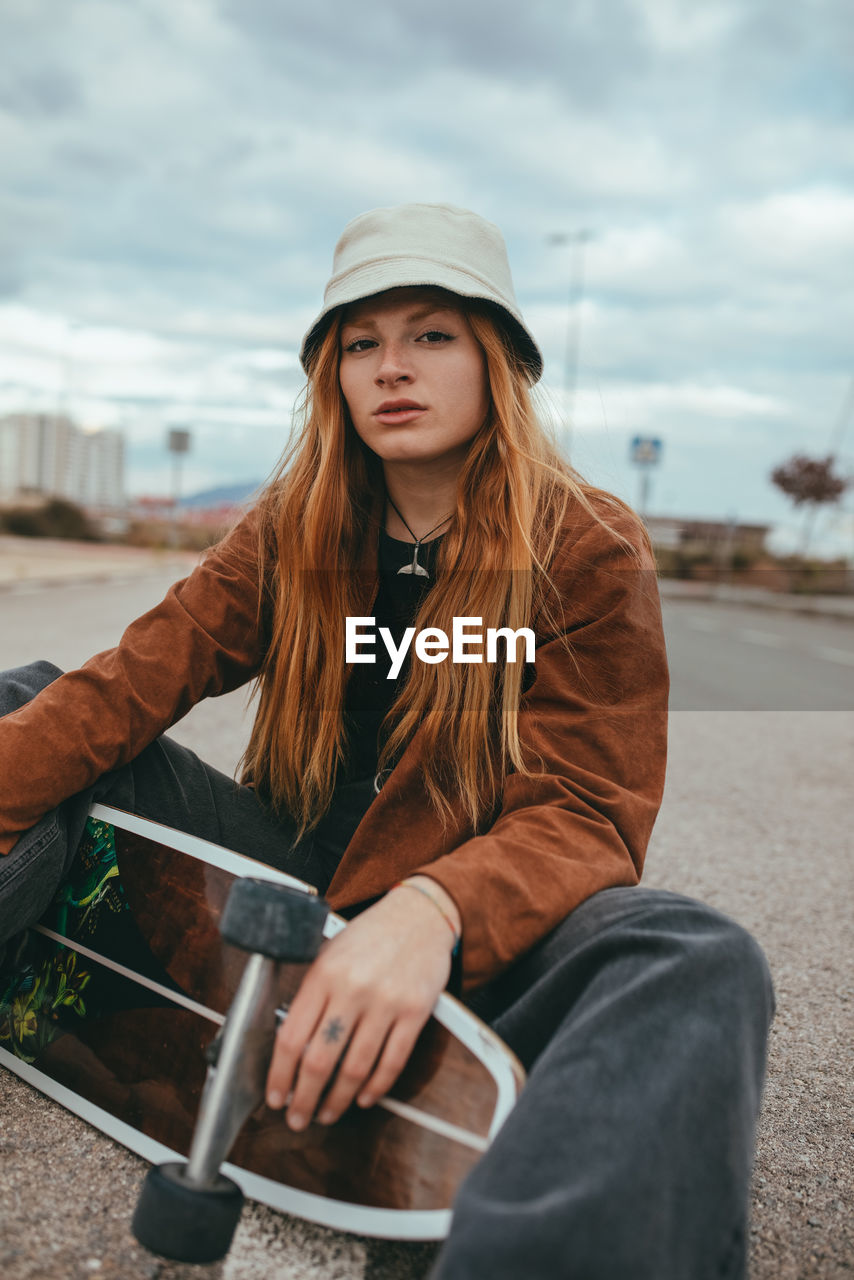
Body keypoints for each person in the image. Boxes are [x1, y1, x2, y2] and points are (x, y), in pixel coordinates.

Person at [0, 203, 773, 1279]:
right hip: (289, 889)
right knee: (25, 706)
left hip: (470, 939)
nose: (389, 367)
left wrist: (433, 909)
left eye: (430, 335)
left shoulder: (583, 544)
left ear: (494, 357)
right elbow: (130, 682)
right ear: (331, 374)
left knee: (694, 957)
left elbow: (588, 808)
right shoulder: (294, 523)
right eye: (359, 343)